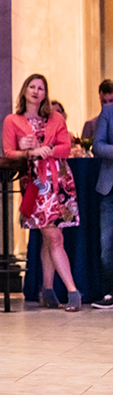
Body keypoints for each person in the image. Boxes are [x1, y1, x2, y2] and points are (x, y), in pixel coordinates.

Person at [3, 74, 81, 311]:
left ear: (45, 93)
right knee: (54, 237)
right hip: (37, 185)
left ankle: (47, 290)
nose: (37, 91)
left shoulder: (55, 117)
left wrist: (46, 149)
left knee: (53, 237)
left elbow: (66, 147)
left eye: (41, 88)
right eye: (32, 87)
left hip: (59, 180)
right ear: (25, 91)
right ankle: (72, 291)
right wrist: (26, 152)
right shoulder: (12, 120)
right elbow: (8, 153)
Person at [93, 102, 113, 309]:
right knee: (107, 245)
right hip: (109, 188)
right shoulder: (108, 111)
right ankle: (110, 292)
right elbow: (97, 146)